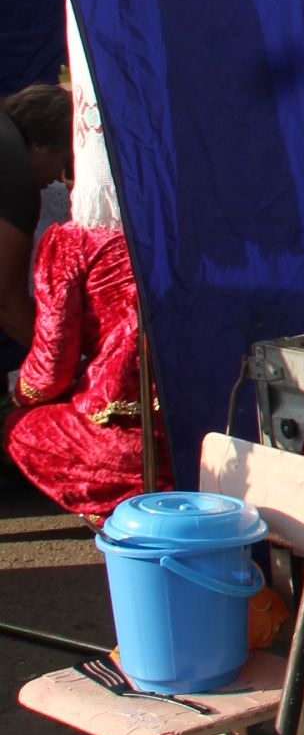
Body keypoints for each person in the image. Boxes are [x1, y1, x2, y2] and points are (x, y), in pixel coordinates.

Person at [4, 221, 163, 523]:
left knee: (21, 429)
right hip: (217, 416)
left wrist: (20, 397)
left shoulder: (71, 241)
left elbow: (51, 369)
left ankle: (124, 508)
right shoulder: (184, 224)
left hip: (135, 426)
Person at [0, 84, 73, 351]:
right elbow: (7, 303)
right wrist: (65, 364)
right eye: (64, 163)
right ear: (40, 146)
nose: (58, 178)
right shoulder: (16, 174)